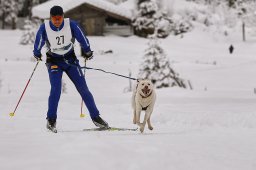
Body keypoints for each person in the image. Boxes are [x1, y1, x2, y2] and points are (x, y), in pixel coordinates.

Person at [33, 5, 109, 133]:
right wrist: (36, 52)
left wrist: (87, 51)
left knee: (84, 89)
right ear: (50, 18)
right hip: (54, 61)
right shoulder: (44, 27)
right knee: (56, 90)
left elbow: (82, 37)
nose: (57, 20)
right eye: (54, 18)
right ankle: (51, 120)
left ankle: (96, 117)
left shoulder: (71, 24)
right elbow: (39, 41)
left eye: (59, 18)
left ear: (63, 16)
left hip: (70, 60)